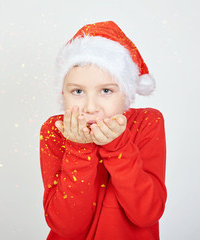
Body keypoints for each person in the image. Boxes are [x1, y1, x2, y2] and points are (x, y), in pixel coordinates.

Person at [39, 21, 166, 240]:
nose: (90, 107)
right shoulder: (56, 130)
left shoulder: (147, 122)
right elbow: (66, 227)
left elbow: (147, 214)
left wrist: (118, 146)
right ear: (63, 94)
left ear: (126, 93)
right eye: (77, 91)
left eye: (106, 90)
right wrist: (78, 150)